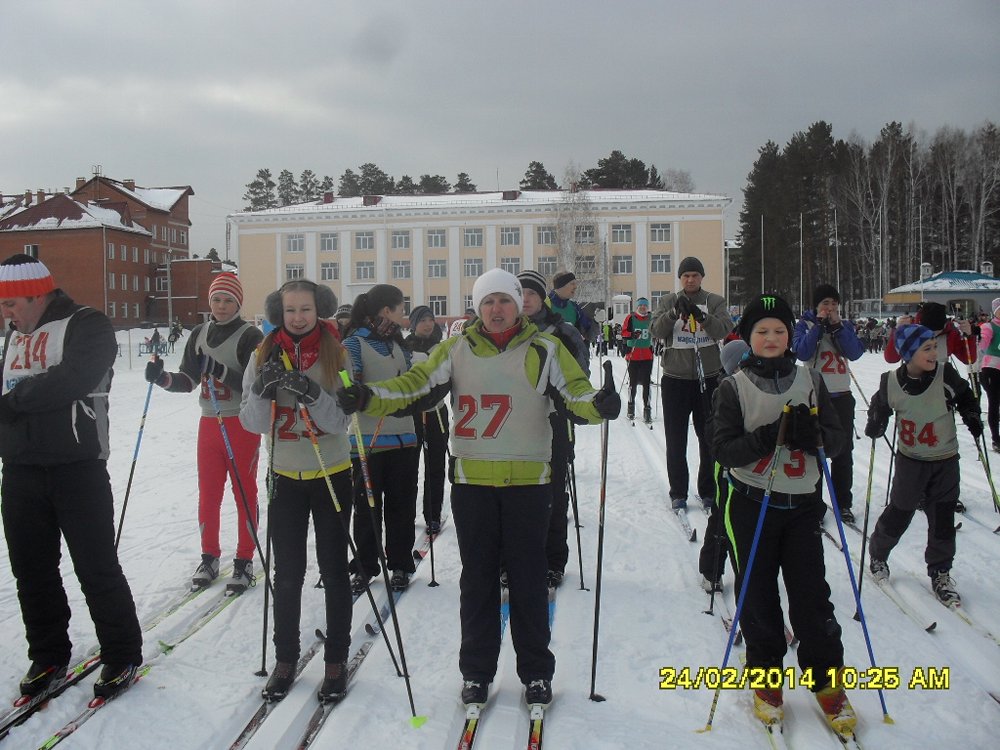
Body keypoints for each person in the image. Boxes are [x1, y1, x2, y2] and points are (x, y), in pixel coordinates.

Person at [337, 268, 620, 710]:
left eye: (504, 300)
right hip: (473, 485)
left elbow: (576, 393)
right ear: (477, 308)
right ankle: (476, 672)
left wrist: (598, 406)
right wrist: (367, 396)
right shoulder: (455, 349)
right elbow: (415, 387)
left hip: (529, 485)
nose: (496, 309)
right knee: (479, 581)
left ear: (519, 303)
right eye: (487, 302)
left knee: (528, 581)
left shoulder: (546, 348)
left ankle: (537, 673)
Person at [0, 253, 143, 701]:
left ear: (38, 295)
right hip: (20, 470)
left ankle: (122, 653)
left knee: (96, 567)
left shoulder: (89, 324)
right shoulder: (11, 336)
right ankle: (47, 654)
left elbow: (75, 378)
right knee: (32, 571)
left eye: (12, 304)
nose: (6, 313)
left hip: (78, 468)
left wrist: (14, 400)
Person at [710, 293, 853, 734]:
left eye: (779, 330)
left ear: (790, 335)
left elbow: (837, 437)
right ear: (748, 338)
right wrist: (771, 436)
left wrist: (815, 437)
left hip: (802, 504)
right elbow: (723, 449)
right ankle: (767, 679)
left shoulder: (809, 379)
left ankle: (827, 682)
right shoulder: (733, 386)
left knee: (811, 596)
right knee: (759, 598)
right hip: (752, 503)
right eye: (762, 331)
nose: (772, 338)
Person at [239, 279, 355, 703]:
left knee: (334, 570)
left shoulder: (337, 352)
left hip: (331, 474)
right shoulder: (263, 352)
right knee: (286, 574)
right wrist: (260, 391)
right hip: (284, 476)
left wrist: (311, 391)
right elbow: (251, 423)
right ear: (279, 313)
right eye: (290, 310)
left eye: (305, 309)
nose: (298, 317)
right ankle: (285, 659)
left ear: (318, 310)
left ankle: (336, 661)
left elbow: (343, 419)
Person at [145, 272, 263, 594]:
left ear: (238, 302)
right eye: (216, 299)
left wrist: (222, 371)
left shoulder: (250, 336)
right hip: (209, 423)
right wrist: (161, 378)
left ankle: (244, 558)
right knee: (208, 494)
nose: (222, 306)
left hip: (241, 423)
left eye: (228, 300)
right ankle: (209, 556)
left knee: (244, 493)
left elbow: (258, 387)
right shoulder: (199, 332)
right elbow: (187, 379)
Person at [865, 324, 982, 607]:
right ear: (908, 354)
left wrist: (971, 415)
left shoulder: (945, 375)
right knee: (900, 511)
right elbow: (879, 405)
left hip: (944, 460)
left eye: (935, 346)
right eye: (926, 348)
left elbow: (966, 397)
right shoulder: (890, 381)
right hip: (911, 461)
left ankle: (940, 571)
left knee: (942, 518)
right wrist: (876, 421)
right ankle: (879, 554)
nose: (934, 352)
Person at [342, 284, 420, 592]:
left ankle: (400, 563)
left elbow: (414, 382)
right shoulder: (355, 343)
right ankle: (364, 564)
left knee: (402, 505)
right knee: (366, 507)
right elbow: (350, 384)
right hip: (368, 440)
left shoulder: (399, 344)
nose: (404, 315)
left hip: (405, 436)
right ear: (385, 311)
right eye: (401, 308)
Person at [518, 269, 589, 587]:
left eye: (531, 293)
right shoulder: (504, 331)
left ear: (542, 296)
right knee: (514, 493)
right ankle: (513, 560)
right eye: (518, 293)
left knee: (553, 490)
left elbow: (580, 377)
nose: (525, 299)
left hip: (554, 421)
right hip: (513, 423)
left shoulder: (564, 331)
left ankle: (553, 560)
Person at [650, 256, 733, 510]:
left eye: (695, 275)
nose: (690, 280)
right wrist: (674, 312)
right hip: (675, 378)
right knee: (676, 440)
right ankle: (678, 492)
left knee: (708, 437)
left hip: (707, 378)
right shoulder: (667, 300)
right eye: (686, 275)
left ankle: (708, 490)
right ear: (680, 278)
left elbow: (724, 329)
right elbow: (655, 330)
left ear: (701, 277)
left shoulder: (714, 301)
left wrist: (702, 317)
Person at [791, 284, 865, 524]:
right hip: (816, 396)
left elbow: (854, 352)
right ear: (816, 306)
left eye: (834, 304)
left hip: (842, 395)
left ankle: (843, 503)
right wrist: (819, 327)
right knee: (817, 452)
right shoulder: (805, 325)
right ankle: (814, 503)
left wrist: (837, 328)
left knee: (843, 453)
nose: (830, 308)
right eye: (825, 304)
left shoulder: (844, 325)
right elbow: (801, 352)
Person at [698, 338, 749, 592]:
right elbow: (711, 431)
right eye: (743, 363)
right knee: (721, 517)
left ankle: (749, 572)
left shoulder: (757, 386)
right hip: (726, 465)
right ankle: (711, 570)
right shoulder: (725, 389)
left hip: (751, 465)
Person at [404, 304, 448, 535]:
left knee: (435, 466)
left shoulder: (442, 348)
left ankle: (433, 514)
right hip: (411, 413)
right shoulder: (405, 348)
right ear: (413, 324)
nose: (428, 324)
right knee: (409, 467)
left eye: (431, 319)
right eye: (422, 320)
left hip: (436, 412)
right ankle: (407, 513)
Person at [883, 301, 975, 365]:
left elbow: (969, 360)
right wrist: (897, 332)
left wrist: (969, 335)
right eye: (926, 332)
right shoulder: (910, 332)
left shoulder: (950, 334)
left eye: (937, 332)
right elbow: (891, 358)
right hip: (914, 380)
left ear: (944, 325)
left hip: (941, 379)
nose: (932, 335)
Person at [621, 297, 654, 424]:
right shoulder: (631, 318)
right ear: (637, 307)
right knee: (632, 383)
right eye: (641, 306)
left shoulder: (651, 318)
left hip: (647, 355)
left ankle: (647, 409)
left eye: (645, 306)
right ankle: (631, 408)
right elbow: (624, 332)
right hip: (633, 355)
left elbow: (657, 330)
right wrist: (632, 335)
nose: (643, 307)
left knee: (646, 383)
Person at [546, 271, 593, 340]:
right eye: (572, 284)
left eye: (575, 284)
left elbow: (587, 330)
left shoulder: (574, 307)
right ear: (561, 285)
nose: (575, 287)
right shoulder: (544, 305)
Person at [979, 298, 1000, 453]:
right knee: (994, 403)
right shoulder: (989, 326)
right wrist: (980, 339)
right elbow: (982, 344)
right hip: (991, 369)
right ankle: (996, 439)